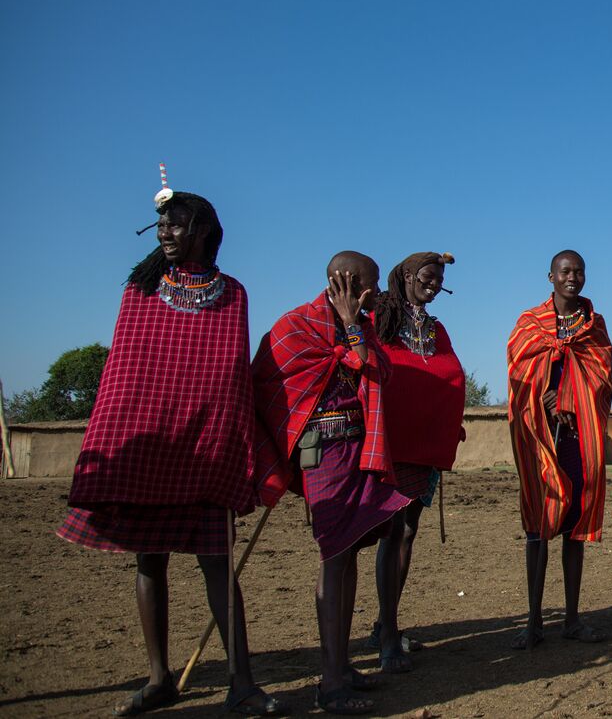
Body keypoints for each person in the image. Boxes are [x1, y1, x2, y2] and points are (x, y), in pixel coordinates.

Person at [58, 179, 282, 717]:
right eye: (161, 225)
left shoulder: (233, 294)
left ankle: (242, 683)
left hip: (207, 452)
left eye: (176, 225)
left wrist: (234, 445)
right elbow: (126, 375)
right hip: (148, 450)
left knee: (216, 564)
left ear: (203, 231)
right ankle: (160, 679)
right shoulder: (140, 292)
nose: (165, 233)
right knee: (149, 561)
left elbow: (228, 377)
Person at [252, 251, 413, 715]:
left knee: (346, 561)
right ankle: (329, 684)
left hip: (359, 454)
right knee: (332, 559)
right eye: (370, 283)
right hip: (323, 455)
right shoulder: (295, 326)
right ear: (345, 281)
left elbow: (375, 371)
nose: (377, 292)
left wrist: (351, 325)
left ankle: (341, 667)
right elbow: (268, 382)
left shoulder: (359, 327)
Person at [506, 250, 612, 649]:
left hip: (577, 439)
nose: (573, 277)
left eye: (579, 271)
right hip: (540, 437)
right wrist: (545, 396)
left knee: (573, 529)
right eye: (565, 271)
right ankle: (532, 621)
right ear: (550, 276)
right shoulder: (529, 323)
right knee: (538, 527)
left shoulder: (594, 325)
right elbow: (519, 369)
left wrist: (568, 396)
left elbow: (601, 377)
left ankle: (571, 618)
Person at [369, 252, 466, 655]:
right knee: (391, 533)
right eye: (429, 277)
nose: (434, 285)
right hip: (391, 444)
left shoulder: (436, 329)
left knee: (408, 531)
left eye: (439, 280)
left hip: (426, 445)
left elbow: (447, 374)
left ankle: (384, 623)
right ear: (408, 275)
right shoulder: (380, 318)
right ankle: (388, 634)